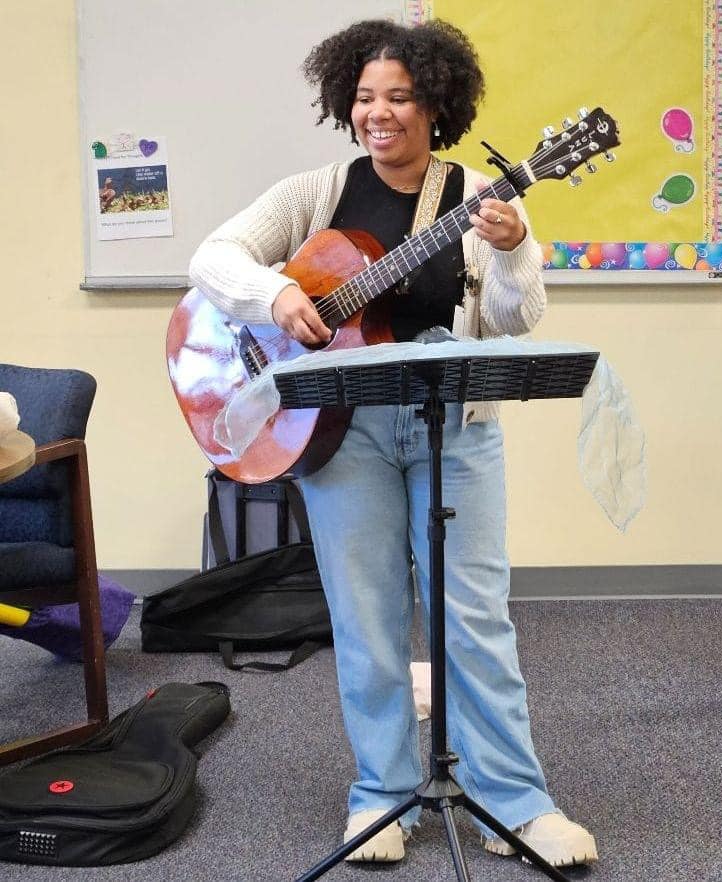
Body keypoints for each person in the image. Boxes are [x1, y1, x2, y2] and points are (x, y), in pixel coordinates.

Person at [189, 18, 598, 868]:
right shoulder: (317, 192)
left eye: (401, 97)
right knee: (366, 617)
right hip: (341, 429)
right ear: (348, 103)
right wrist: (274, 299)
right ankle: (381, 792)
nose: (380, 114)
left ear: (437, 104)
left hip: (456, 423)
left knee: (473, 616)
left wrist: (517, 253)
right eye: (366, 97)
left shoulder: (485, 194)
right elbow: (213, 258)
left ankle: (513, 802)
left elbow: (519, 322)